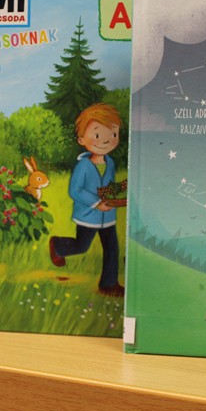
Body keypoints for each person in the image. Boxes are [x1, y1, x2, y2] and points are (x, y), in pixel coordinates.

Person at [49, 103, 124, 297]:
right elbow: (75, 190)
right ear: (81, 139)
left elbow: (109, 186)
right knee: (81, 246)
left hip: (108, 217)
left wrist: (116, 194)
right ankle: (58, 245)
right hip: (88, 216)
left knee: (112, 249)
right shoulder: (83, 166)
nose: (106, 140)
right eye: (98, 135)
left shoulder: (110, 162)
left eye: (113, 134)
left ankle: (109, 284)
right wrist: (96, 203)